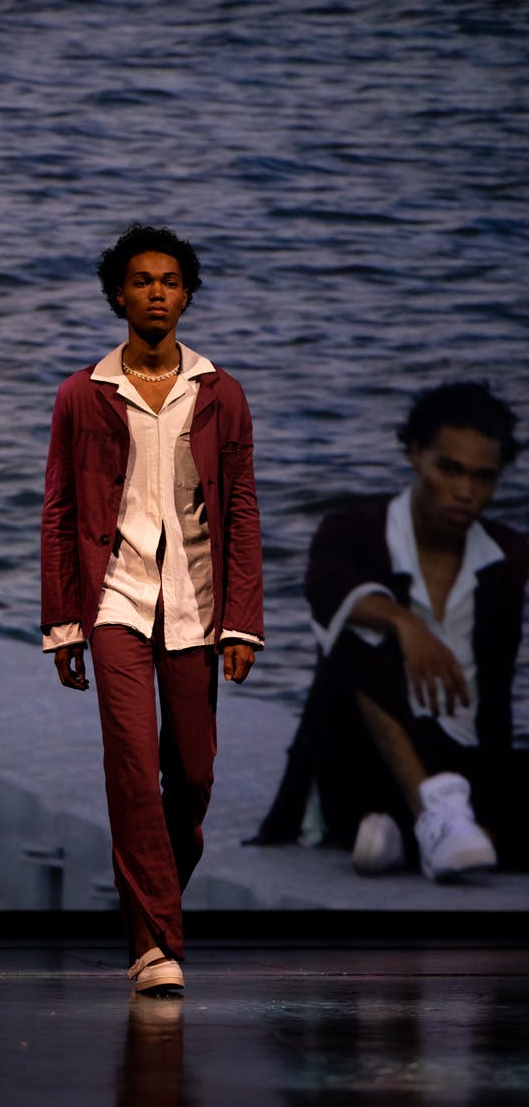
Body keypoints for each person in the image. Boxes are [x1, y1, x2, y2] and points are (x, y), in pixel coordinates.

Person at [41, 224, 264, 993]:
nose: (157, 293)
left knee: (192, 776)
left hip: (197, 605)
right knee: (133, 768)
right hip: (116, 602)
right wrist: (63, 624)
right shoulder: (83, 394)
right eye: (142, 281)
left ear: (188, 295)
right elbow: (59, 513)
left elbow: (241, 511)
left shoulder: (220, 393)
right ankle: (154, 945)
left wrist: (243, 622)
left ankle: (149, 913)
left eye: (170, 281)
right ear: (118, 296)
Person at [247, 381, 528, 881]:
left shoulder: (505, 556)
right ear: (416, 454)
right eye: (449, 469)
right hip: (365, 757)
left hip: (466, 763)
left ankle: (412, 835)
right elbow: (326, 588)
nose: (466, 492)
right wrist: (405, 623)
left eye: (483, 477)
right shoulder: (354, 530)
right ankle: (430, 818)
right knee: (357, 630)